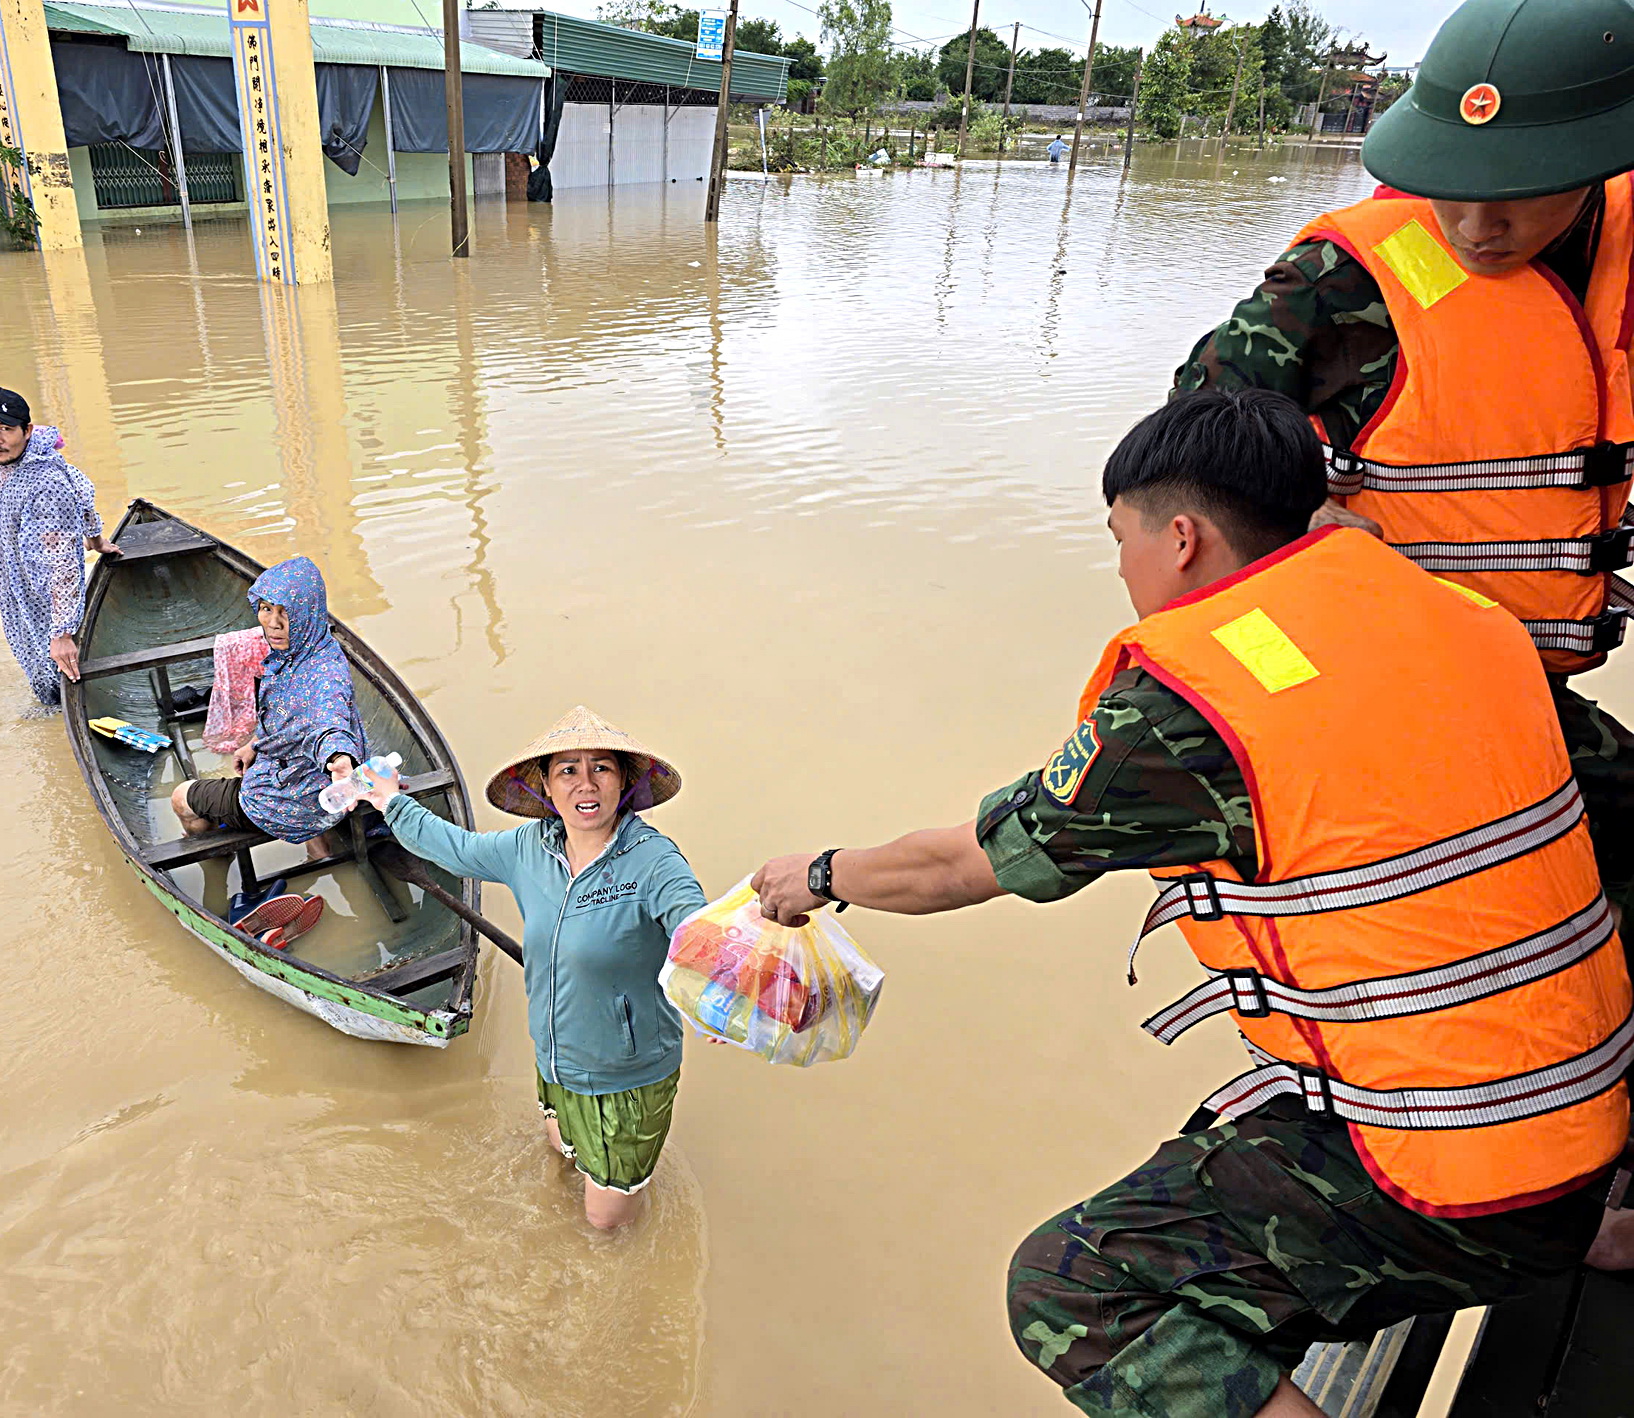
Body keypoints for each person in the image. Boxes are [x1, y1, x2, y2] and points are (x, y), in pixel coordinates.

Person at [751, 389, 1633, 1417]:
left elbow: (956, 866)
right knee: (1216, 1132)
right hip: (1593, 1127)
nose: (1121, 569)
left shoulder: (1188, 710)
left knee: (1074, 1285)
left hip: (1461, 1187)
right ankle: (1586, 1225)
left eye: (1119, 539)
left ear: (1182, 537)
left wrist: (814, 873)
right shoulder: (1462, 624)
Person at [1173, 0, 1634, 921]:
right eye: (1450, 184)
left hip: (1531, 668)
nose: (1473, 225)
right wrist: (1293, 512)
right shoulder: (1341, 280)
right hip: (1392, 669)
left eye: (1516, 192)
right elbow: (1197, 432)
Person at [353, 706, 705, 1230]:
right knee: (559, 1153)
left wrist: (730, 979)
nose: (586, 783)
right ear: (546, 784)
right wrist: (389, 800)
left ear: (625, 782)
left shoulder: (654, 862)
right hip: (555, 1051)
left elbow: (698, 926)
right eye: (568, 769)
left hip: (624, 1074)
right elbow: (456, 848)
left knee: (606, 1224)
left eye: (602, 767)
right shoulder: (528, 848)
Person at [169, 556, 367, 859]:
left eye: (286, 613)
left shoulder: (323, 677)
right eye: (266, 609)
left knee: (181, 798)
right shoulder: (317, 646)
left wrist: (339, 759)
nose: (273, 624)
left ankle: (213, 854)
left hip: (293, 802)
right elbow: (288, 718)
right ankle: (320, 849)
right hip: (321, 792)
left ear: (306, 614)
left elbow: (329, 719)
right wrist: (255, 743)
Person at [0, 387, 116, 707]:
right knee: (32, 647)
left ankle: (54, 710)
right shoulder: (18, 459)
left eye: (4, 429)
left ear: (27, 431)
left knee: (49, 661)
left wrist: (62, 634)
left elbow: (62, 564)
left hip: (41, 587)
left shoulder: (45, 483)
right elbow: (81, 490)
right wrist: (95, 538)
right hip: (17, 572)